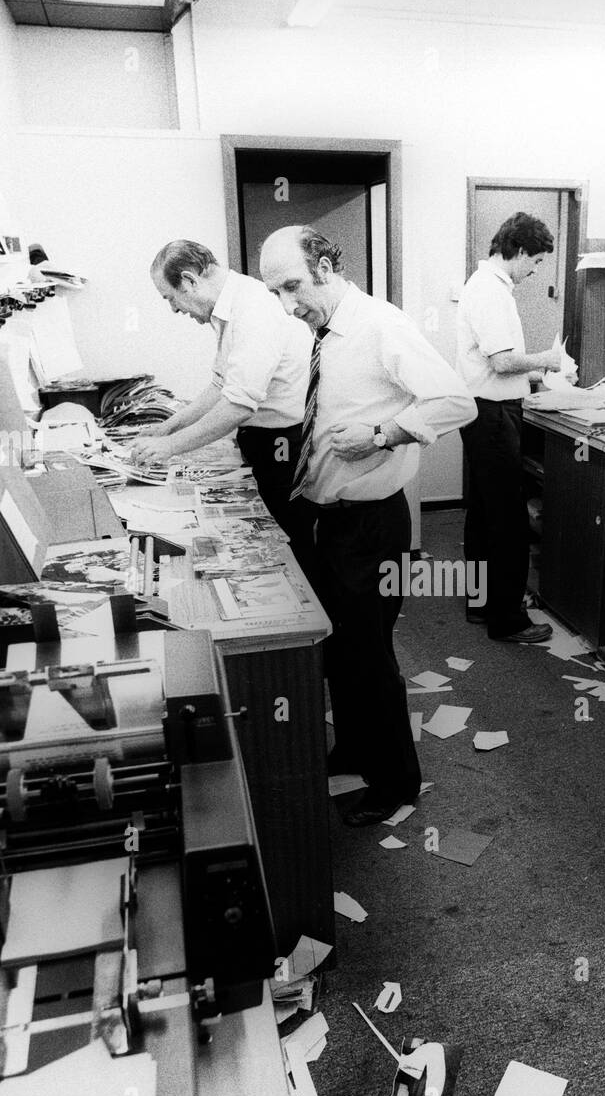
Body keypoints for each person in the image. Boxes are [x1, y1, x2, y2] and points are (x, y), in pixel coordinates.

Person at [259, 224, 476, 827]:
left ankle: (396, 782)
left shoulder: (381, 325)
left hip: (370, 525)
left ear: (327, 266)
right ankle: (353, 748)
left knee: (368, 657)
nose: (286, 302)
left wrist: (384, 433)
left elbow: (457, 401)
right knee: (340, 650)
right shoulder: (322, 332)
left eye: (293, 286)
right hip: (327, 520)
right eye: (275, 290)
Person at [130, 240, 316, 568]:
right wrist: (170, 426)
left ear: (189, 281)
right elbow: (220, 384)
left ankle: (324, 613)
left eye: (170, 298)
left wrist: (171, 446)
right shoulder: (229, 309)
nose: (174, 309)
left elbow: (238, 405)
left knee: (293, 539)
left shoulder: (254, 309)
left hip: (285, 443)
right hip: (263, 439)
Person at [456, 212, 567, 643]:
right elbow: (502, 361)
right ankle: (508, 619)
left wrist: (532, 374)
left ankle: (482, 604)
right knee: (507, 521)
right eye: (535, 261)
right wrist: (547, 360)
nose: (535, 271)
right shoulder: (491, 291)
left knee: (484, 514)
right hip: (493, 415)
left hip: (482, 410)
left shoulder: (484, 286)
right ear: (519, 251)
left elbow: (496, 360)